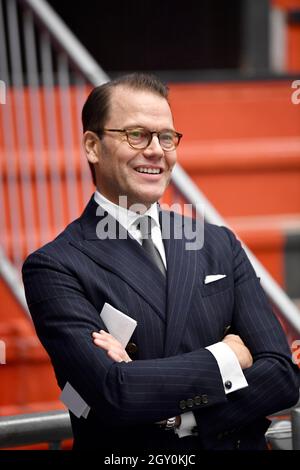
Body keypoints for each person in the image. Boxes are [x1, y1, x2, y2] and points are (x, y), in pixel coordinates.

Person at [22, 73, 299, 452]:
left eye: (166, 137)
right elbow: (113, 394)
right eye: (137, 134)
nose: (156, 150)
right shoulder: (55, 266)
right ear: (92, 145)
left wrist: (178, 418)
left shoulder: (217, 242)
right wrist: (226, 356)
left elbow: (282, 374)